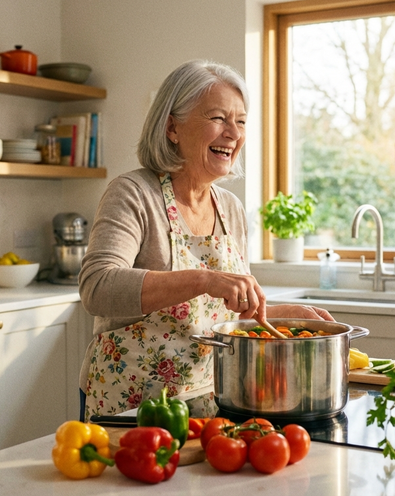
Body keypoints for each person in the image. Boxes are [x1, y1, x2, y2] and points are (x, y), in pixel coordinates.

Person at [78, 59, 334, 421]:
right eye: (218, 118)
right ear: (172, 127)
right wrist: (204, 279)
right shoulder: (133, 193)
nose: (233, 133)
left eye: (240, 121)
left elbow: (224, 314)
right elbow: (97, 287)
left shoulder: (230, 208)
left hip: (210, 401)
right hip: (134, 408)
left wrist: (284, 316)